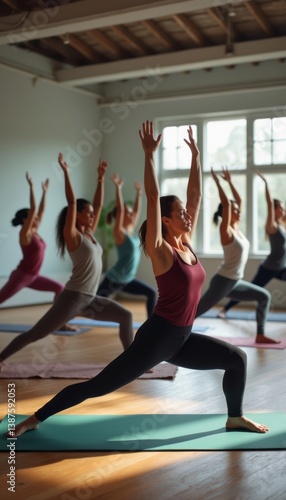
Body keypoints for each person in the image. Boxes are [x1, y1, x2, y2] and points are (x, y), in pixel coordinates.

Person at [10, 121, 269, 439]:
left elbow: (196, 195)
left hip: (182, 338)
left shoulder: (185, 243)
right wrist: (149, 156)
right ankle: (35, 418)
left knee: (236, 359)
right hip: (157, 338)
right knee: (98, 387)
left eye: (187, 212)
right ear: (166, 221)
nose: (188, 215)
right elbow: (152, 193)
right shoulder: (160, 250)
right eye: (181, 213)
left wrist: (196, 158)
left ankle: (235, 417)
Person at [0, 154, 134, 369]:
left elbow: (98, 205)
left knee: (126, 316)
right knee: (36, 333)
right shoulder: (72, 236)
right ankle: (1, 357)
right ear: (77, 215)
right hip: (72, 299)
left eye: (92, 214)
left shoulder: (89, 233)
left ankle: (132, 361)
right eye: (87, 213)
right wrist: (66, 172)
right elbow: (71, 202)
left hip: (91, 299)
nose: (92, 216)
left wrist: (100, 180)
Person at [195, 167, 277, 344]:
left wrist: (230, 182)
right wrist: (217, 182)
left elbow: (237, 200)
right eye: (235, 210)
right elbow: (227, 204)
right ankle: (170, 335)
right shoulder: (227, 231)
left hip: (235, 282)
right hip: (223, 281)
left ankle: (260, 335)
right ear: (226, 213)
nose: (239, 211)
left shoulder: (237, 229)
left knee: (264, 296)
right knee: (194, 313)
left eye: (238, 209)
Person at [0, 172, 73, 331]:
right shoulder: (24, 234)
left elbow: (40, 211)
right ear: (25, 220)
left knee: (59, 288)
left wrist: (45, 192)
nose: (36, 218)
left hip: (33, 277)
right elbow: (34, 209)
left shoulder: (34, 232)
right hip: (21, 276)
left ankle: (58, 323)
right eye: (32, 217)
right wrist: (32, 187)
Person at [217, 170, 286, 318]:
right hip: (268, 268)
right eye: (279, 207)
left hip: (281, 268)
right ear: (273, 210)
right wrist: (266, 184)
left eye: (282, 207)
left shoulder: (282, 225)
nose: (282, 209)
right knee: (251, 292)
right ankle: (224, 309)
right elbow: (268, 204)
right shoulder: (272, 226)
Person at [97, 173, 157, 317]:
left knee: (152, 293)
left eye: (131, 213)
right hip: (114, 280)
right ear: (120, 216)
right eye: (127, 213)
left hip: (128, 280)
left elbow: (136, 211)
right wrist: (118, 188)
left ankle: (152, 324)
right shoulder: (119, 232)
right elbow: (121, 208)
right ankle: (65, 319)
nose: (131, 215)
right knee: (90, 304)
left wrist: (140, 194)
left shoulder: (130, 230)